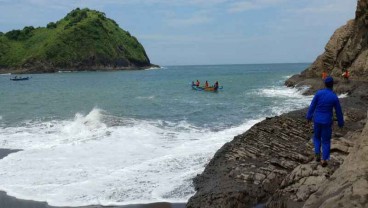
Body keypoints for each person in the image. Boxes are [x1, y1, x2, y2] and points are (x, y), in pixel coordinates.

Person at [306, 76, 344, 167]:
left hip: (317, 120)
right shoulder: (334, 97)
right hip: (327, 121)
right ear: (332, 85)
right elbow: (339, 111)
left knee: (317, 137)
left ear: (325, 84)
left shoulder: (318, 93)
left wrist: (308, 117)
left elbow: (312, 106)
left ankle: (317, 153)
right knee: (326, 141)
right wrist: (341, 123)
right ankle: (324, 159)